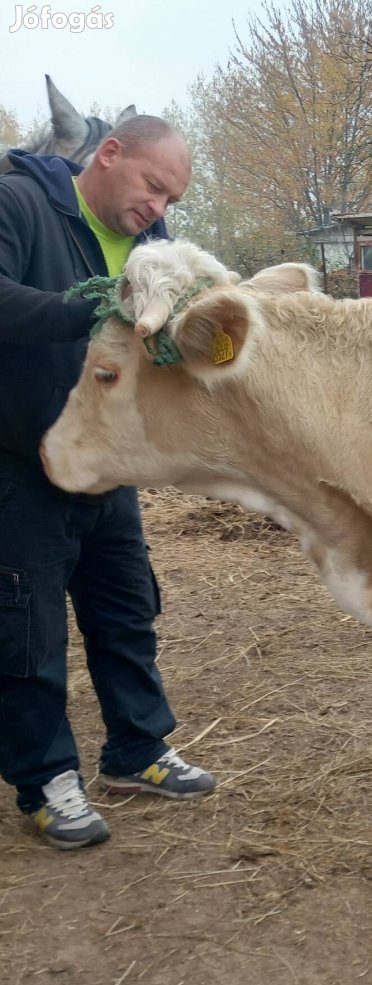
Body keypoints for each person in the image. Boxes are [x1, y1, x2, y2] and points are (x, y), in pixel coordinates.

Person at [0, 116, 216, 850]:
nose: (157, 207)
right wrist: (87, 306)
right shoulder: (19, 203)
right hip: (18, 462)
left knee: (126, 610)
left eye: (170, 199)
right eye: (153, 186)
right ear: (111, 154)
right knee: (27, 629)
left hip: (110, 463)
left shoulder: (155, 250)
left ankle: (137, 750)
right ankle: (46, 780)